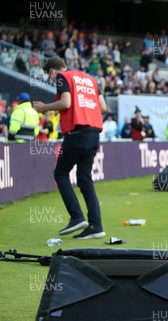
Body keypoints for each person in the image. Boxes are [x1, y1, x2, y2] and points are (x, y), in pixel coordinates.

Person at [34, 57, 107, 239]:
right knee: (84, 179)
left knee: (60, 173)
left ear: (52, 71)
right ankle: (96, 226)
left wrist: (44, 107)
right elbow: (103, 107)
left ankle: (76, 217)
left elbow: (66, 103)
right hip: (94, 134)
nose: (52, 80)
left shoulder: (62, 77)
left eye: (49, 76)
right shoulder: (91, 79)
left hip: (76, 134)